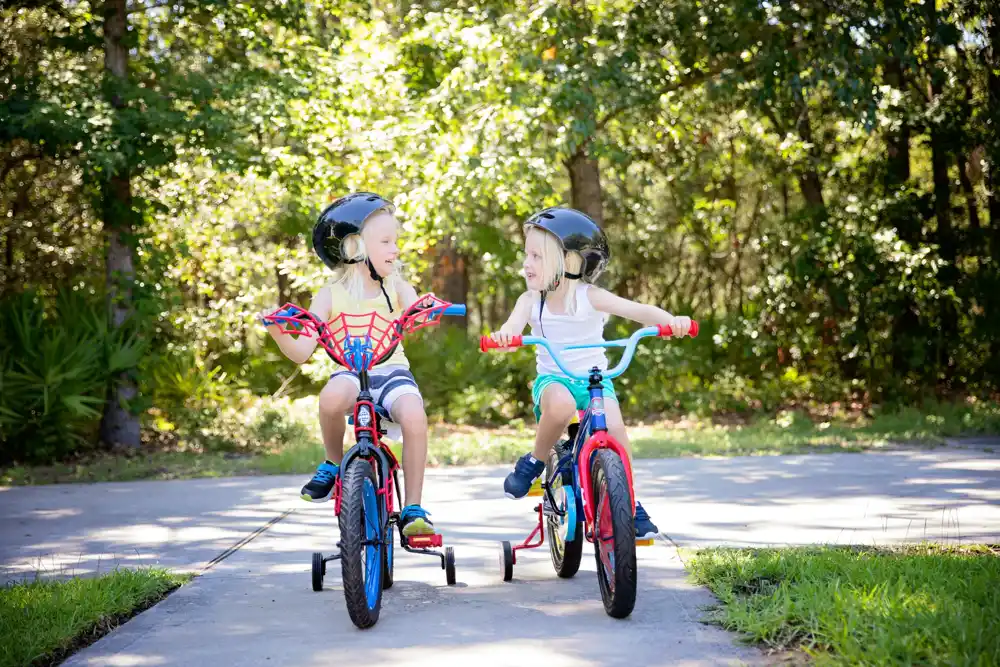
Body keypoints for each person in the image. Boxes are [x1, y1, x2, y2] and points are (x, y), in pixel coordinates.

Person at [487, 206, 692, 539]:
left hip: (595, 381)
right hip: (554, 380)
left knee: (616, 430)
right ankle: (536, 460)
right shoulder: (530, 300)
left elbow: (639, 311)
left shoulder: (590, 297)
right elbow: (510, 328)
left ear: (568, 262)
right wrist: (505, 337)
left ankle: (629, 501)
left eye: (537, 256)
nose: (527, 263)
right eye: (527, 255)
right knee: (561, 405)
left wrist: (671, 321)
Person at [260, 192, 436, 537]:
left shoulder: (398, 287)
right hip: (349, 371)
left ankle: (413, 507)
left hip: (392, 371)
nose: (395, 249)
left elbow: (418, 313)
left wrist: (424, 311)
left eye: (395, 241)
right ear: (355, 247)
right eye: (385, 241)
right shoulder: (328, 295)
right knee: (330, 398)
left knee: (415, 416)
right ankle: (332, 462)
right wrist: (280, 334)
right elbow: (301, 352)